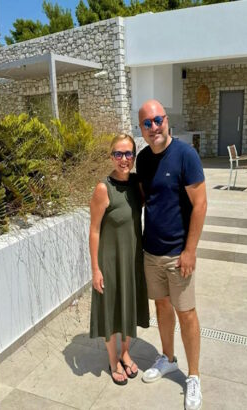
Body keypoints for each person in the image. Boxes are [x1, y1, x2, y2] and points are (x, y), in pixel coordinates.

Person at [136, 99, 207, 410]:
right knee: (162, 307)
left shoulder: (185, 155)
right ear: (141, 129)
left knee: (186, 313)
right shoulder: (142, 159)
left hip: (179, 255)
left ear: (166, 120)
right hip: (151, 252)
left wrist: (190, 250)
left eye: (158, 120)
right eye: (147, 123)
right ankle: (168, 358)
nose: (154, 127)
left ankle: (194, 376)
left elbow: (200, 204)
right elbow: (145, 199)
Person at [89, 134, 150, 386]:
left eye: (128, 154)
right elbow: (94, 230)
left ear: (134, 157)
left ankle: (125, 352)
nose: (123, 159)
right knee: (111, 310)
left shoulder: (136, 184)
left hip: (133, 258)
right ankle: (113, 359)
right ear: (111, 156)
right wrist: (96, 269)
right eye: (118, 154)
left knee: (128, 307)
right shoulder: (103, 188)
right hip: (110, 261)